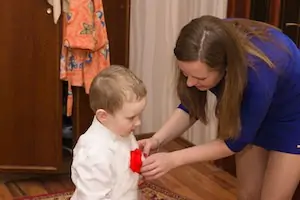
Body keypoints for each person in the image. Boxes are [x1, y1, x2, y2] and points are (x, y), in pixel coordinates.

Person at [138, 15, 300, 200]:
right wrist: (157, 140)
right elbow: (191, 106)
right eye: (185, 74)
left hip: (293, 116)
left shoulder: (258, 75)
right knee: (248, 194)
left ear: (225, 67)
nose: (190, 83)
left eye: (200, 79)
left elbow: (234, 143)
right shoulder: (208, 41)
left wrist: (173, 159)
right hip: (255, 106)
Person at [71, 65, 147, 200]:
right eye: (131, 118)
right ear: (103, 116)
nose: (138, 122)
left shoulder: (120, 129)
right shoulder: (94, 153)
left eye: (139, 115)